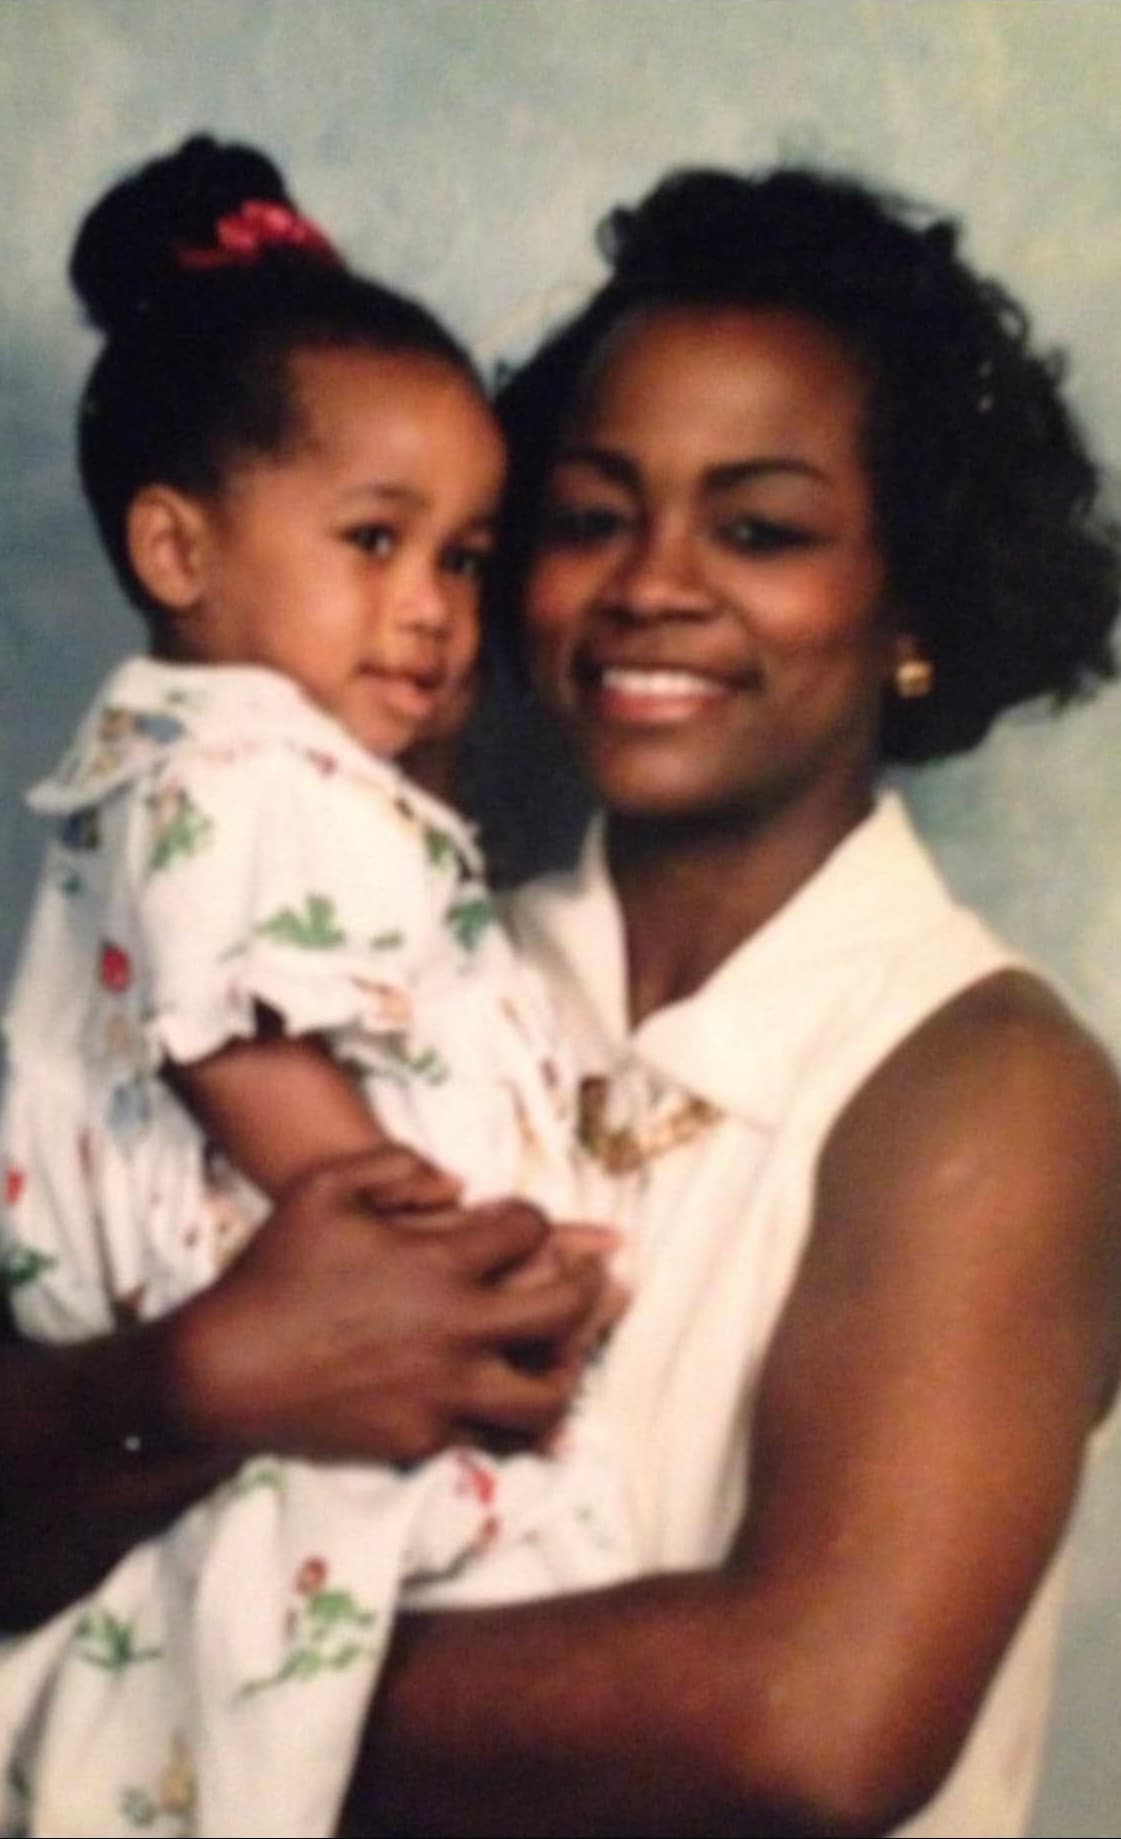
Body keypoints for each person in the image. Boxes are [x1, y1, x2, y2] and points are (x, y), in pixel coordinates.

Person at [3, 162, 1121, 1838]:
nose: (651, 584)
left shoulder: (990, 1083)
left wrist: (138, 1690)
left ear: (912, 605)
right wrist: (207, 1376)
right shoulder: (392, 967)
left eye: (760, 529)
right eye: (591, 516)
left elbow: (800, 1726)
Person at [0, 137, 634, 1838]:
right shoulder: (226, 770)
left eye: (461, 559)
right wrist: (436, 1256)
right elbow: (241, 1058)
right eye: (373, 540)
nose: (430, 613)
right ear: (176, 549)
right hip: (321, 1285)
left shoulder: (283, 766)